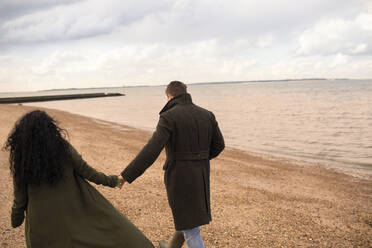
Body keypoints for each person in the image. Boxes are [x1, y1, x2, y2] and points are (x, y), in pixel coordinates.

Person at [5, 110, 154, 248]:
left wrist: (16, 220)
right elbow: (88, 172)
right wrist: (113, 181)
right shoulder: (63, 148)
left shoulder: (22, 159)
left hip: (41, 226)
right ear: (50, 130)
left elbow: (20, 199)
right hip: (70, 215)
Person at [119, 81, 225, 248]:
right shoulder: (207, 114)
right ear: (185, 93)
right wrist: (199, 160)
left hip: (179, 176)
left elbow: (152, 150)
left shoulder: (169, 116)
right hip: (201, 175)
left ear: (169, 96)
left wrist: (126, 175)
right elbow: (219, 146)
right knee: (188, 220)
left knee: (191, 229)